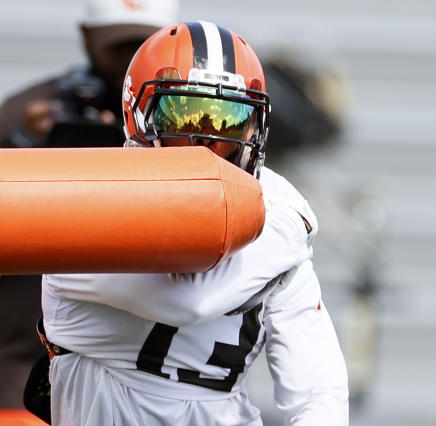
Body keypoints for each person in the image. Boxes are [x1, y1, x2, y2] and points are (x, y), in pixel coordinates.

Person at [42, 21, 349, 425]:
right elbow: (188, 302)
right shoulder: (87, 206)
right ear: (138, 116)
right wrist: (282, 229)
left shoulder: (277, 223)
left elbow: (317, 392)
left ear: (256, 127)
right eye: (186, 118)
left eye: (228, 122)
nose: (206, 145)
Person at [0, 1, 178, 424]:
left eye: (140, 46)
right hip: (26, 377)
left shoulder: (188, 118)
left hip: (150, 384)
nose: (127, 62)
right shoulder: (32, 110)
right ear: (86, 36)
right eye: (116, 47)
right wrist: (22, 146)